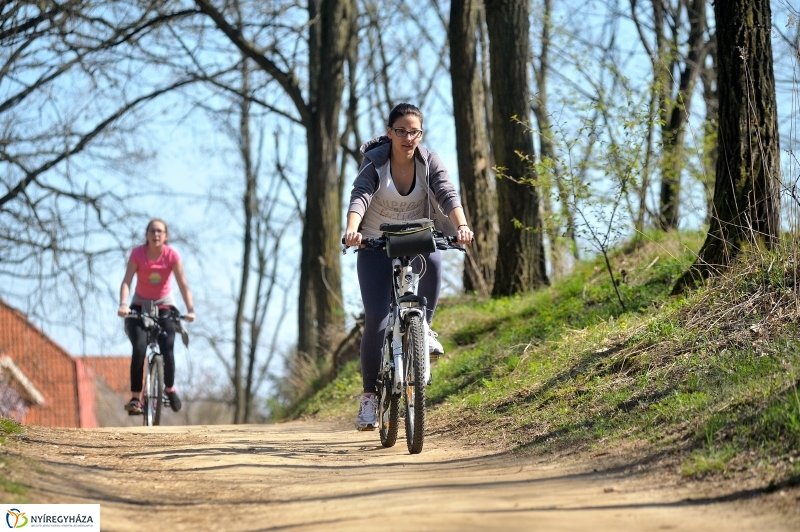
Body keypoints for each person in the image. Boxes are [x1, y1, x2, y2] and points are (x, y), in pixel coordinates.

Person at [343, 103, 474, 431]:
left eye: (413, 131)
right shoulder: (376, 163)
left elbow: (446, 193)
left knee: (434, 256)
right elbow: (360, 196)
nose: (407, 137)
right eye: (400, 131)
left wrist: (462, 226)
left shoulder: (429, 162)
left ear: (420, 134)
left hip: (415, 237)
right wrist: (352, 229)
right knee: (376, 315)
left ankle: (423, 329)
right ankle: (370, 398)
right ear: (389, 133)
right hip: (373, 243)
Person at [117, 218, 195, 414]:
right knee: (140, 347)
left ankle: (169, 388)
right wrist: (123, 305)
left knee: (168, 347)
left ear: (166, 236)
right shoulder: (137, 254)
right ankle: (136, 398)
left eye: (160, 231)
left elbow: (183, 284)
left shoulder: (171, 256)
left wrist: (190, 309)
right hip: (139, 305)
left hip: (165, 306)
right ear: (146, 235)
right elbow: (127, 281)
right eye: (152, 231)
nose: (156, 234)